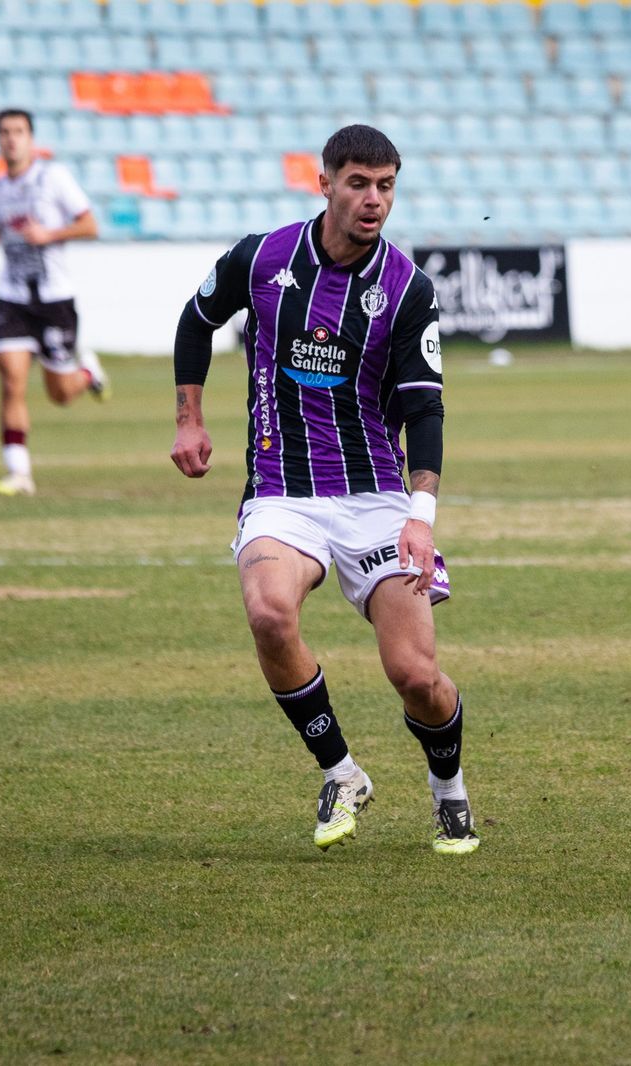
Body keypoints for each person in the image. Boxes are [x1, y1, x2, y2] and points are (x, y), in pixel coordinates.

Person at [170, 125, 478, 855]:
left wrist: (421, 516)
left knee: (415, 674)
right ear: (326, 183)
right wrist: (189, 417)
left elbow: (425, 406)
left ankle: (449, 788)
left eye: (387, 186)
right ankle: (342, 773)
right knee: (270, 616)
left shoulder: (406, 287)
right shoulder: (262, 257)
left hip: (375, 498)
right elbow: (195, 319)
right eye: (359, 184)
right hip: (281, 491)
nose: (374, 200)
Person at [0, 108, 107, 497]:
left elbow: (89, 225)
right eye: (4, 132)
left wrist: (49, 234)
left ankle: (87, 374)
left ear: (30, 139)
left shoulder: (53, 178)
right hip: (13, 296)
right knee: (11, 380)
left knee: (60, 394)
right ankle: (19, 473)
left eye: (18, 131)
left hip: (53, 299)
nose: (11, 138)